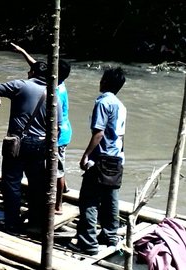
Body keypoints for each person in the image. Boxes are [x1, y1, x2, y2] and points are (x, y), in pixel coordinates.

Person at [0, 61, 62, 232]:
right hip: (41, 144)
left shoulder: (21, 85)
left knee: (12, 182)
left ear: (32, 73)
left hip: (17, 143)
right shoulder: (54, 96)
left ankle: (12, 223)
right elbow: (57, 128)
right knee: (36, 184)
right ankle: (35, 223)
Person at [10, 42, 72, 214]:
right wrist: (23, 51)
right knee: (56, 167)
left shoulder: (56, 90)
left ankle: (58, 205)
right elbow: (37, 67)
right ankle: (61, 192)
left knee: (57, 170)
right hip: (57, 131)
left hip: (59, 134)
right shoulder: (54, 84)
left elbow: (39, 70)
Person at [70, 67, 126, 255]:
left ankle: (88, 243)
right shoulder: (121, 105)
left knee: (89, 200)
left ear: (105, 82)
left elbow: (98, 133)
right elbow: (121, 136)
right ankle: (110, 236)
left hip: (101, 158)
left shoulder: (103, 102)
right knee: (111, 198)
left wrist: (86, 155)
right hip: (116, 157)